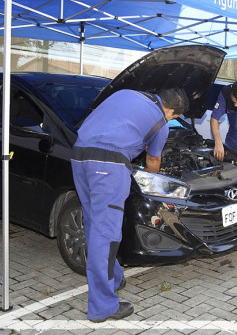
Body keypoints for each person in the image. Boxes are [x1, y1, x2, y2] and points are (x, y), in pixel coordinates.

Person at [71, 88, 189, 322]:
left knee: (94, 223)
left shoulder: (125, 93)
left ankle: (113, 277)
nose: (171, 120)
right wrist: (150, 180)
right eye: (174, 117)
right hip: (108, 165)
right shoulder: (160, 123)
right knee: (106, 234)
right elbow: (153, 161)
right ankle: (102, 307)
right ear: (170, 110)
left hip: (79, 155)